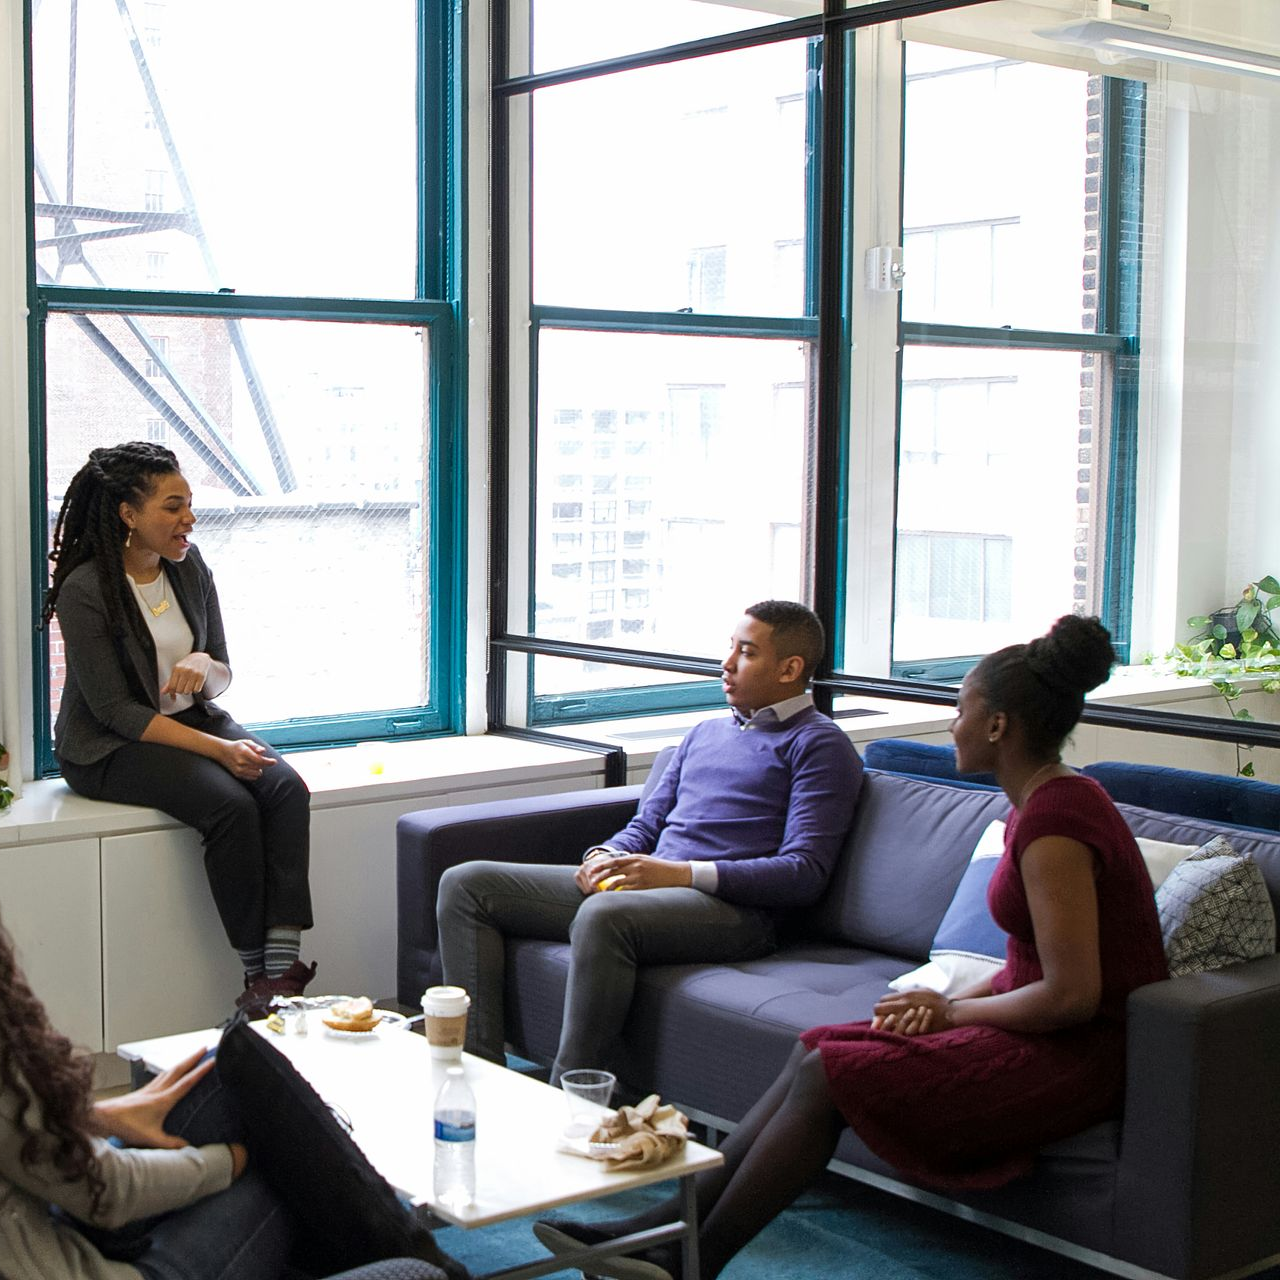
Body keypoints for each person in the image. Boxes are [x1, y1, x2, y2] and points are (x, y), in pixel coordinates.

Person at [534, 614, 1170, 1280]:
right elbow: (1027, 966)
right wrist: (937, 998)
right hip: (1036, 1028)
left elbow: (1073, 996)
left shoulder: (1057, 823)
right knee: (816, 1046)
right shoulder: (1036, 807)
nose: (951, 723)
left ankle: (689, 1258)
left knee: (831, 1071)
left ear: (997, 726)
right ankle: (659, 1237)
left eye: (961, 709)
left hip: (1075, 1058)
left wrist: (952, 1013)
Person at [438, 599, 863, 1084]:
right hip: (655, 889)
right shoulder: (703, 733)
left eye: (746, 653)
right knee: (467, 884)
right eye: (731, 648)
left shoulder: (819, 743)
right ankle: (474, 1078)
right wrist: (606, 855)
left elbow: (803, 873)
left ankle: (574, 1098)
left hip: (737, 912)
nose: (726, 664)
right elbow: (646, 826)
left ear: (790, 668)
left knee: (604, 915)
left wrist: (678, 874)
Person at [0, 914, 452, 1280]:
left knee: (223, 1069)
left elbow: (27, 1147)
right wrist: (235, 1159)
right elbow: (112, 1192)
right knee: (284, 1160)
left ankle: (366, 1211)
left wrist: (91, 1116)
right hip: (92, 1242)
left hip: (67, 1223)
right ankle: (422, 1257)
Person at [44, 441, 314, 1010]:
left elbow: (221, 673)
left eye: (188, 503)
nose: (188, 518)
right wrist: (219, 752)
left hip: (192, 721)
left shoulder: (189, 568)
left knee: (285, 788)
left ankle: (278, 973)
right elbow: (117, 711)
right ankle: (254, 976)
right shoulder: (86, 589)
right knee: (231, 807)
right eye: (172, 506)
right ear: (128, 515)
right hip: (108, 747)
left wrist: (202, 665)